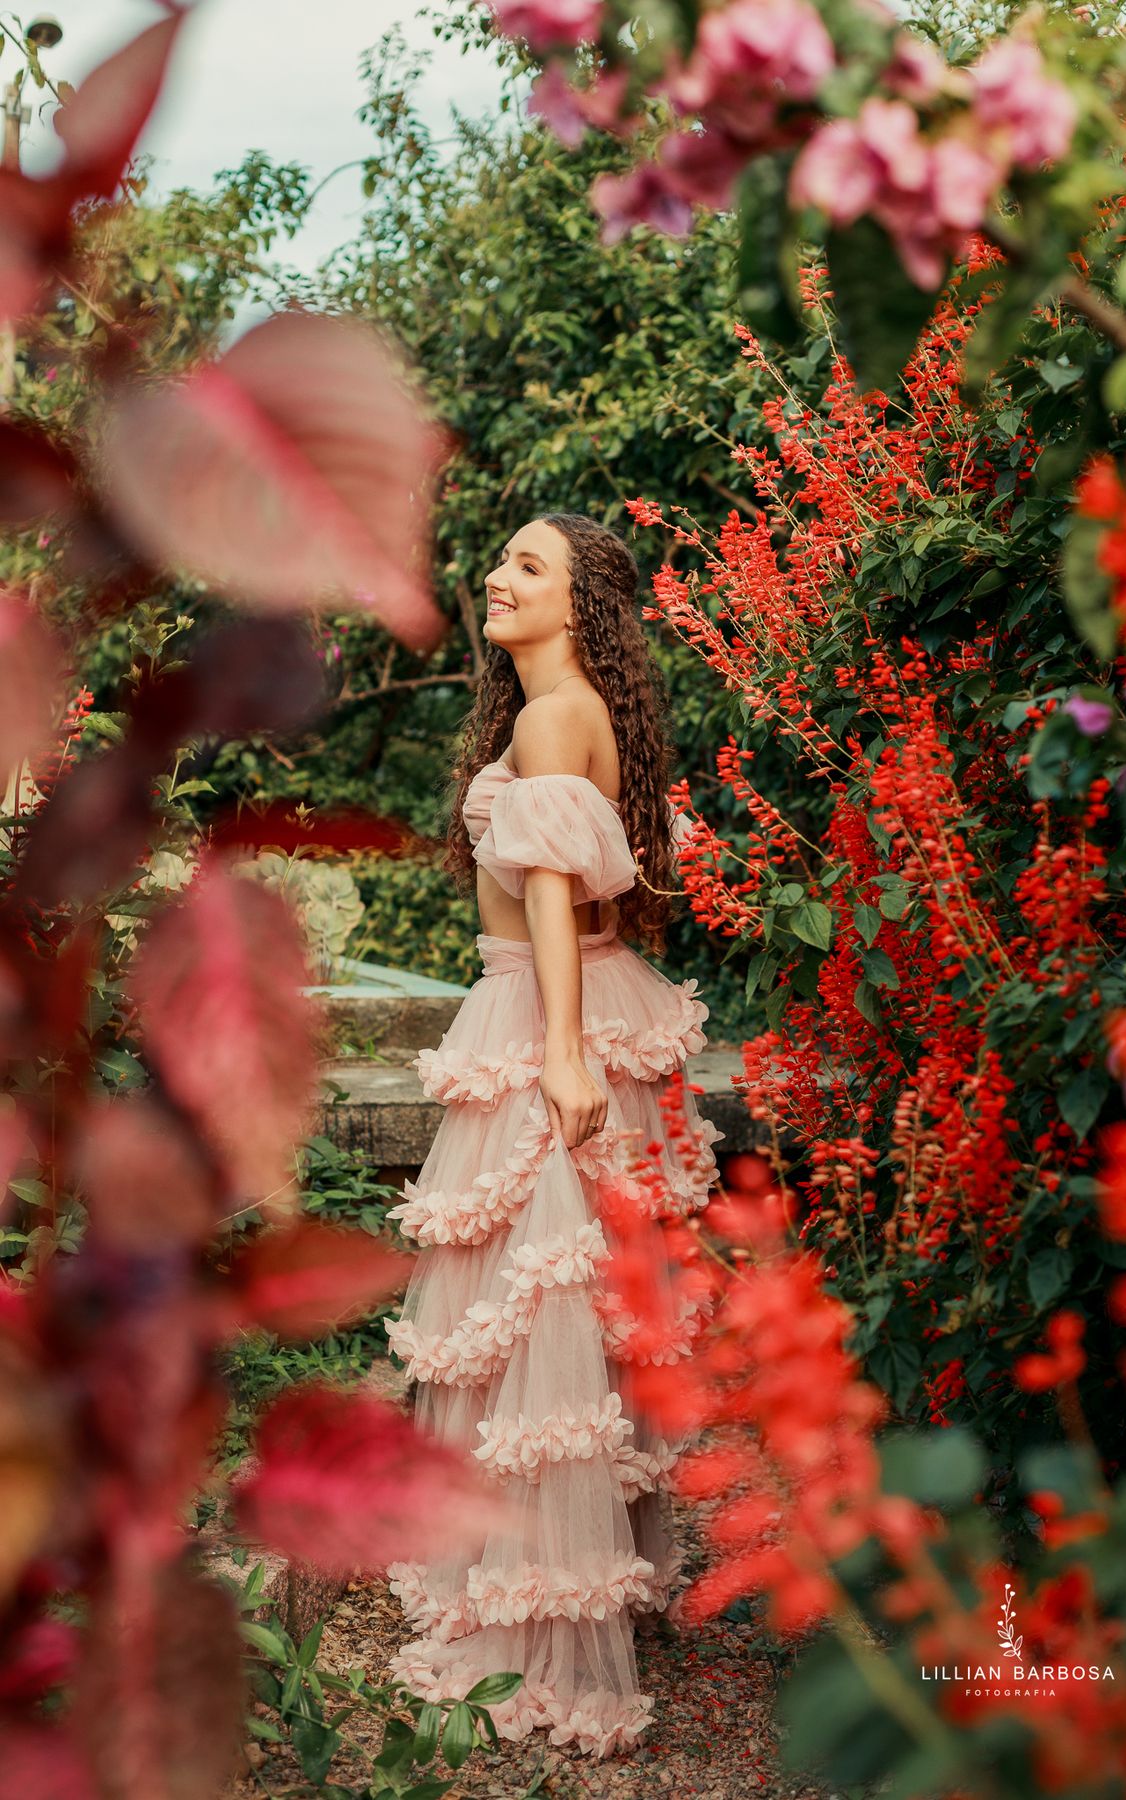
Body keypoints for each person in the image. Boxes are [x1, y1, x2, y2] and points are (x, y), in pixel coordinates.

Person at [384, 513, 718, 1758]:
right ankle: (586, 1571)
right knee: (569, 1314)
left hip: (549, 1007)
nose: (498, 576)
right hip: (577, 993)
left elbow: (551, 900)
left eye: (531, 565)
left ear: (579, 605)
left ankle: (548, 1624)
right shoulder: (572, 710)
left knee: (539, 1312)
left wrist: (565, 1055)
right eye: (502, 560)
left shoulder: (548, 715)